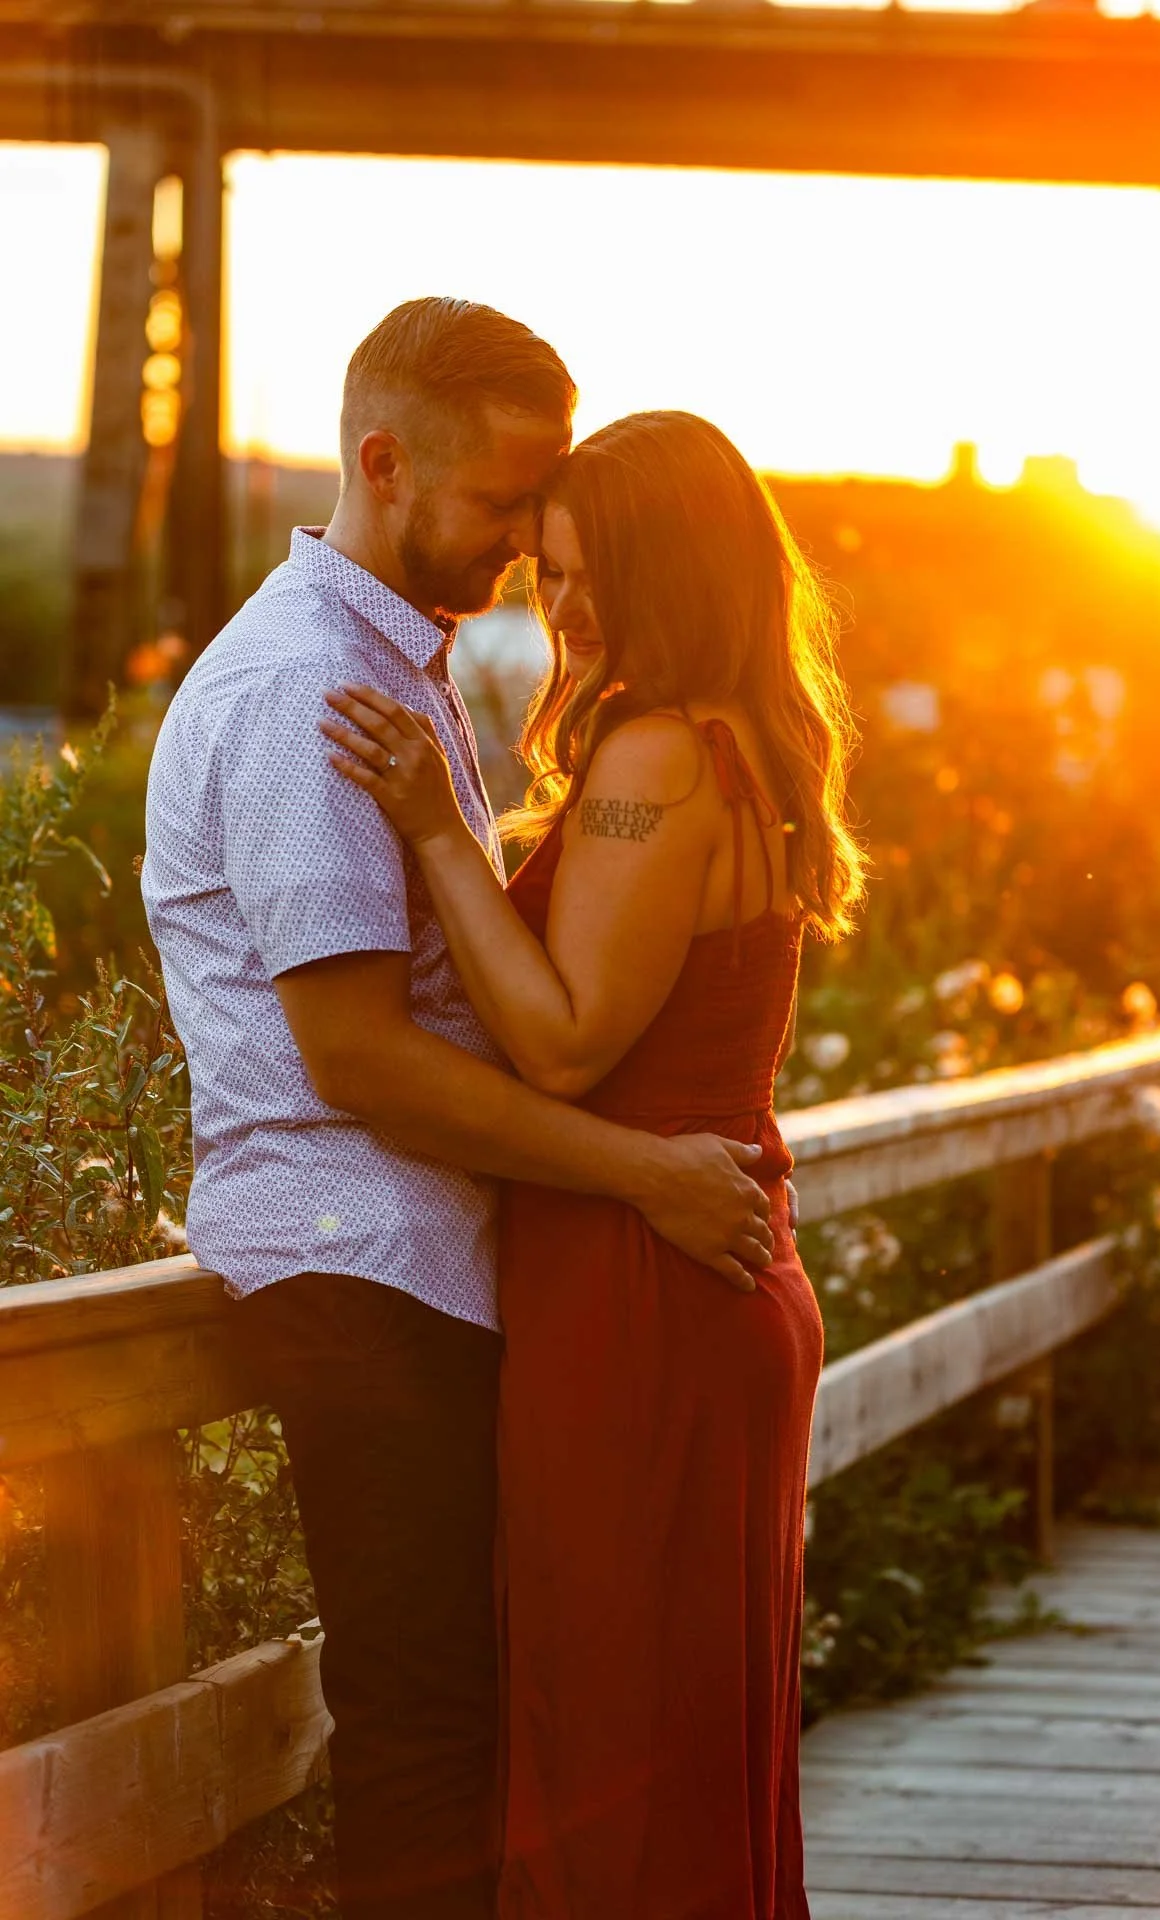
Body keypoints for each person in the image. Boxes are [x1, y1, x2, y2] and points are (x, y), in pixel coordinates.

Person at [141, 304, 776, 1920]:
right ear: (384, 462)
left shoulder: (396, 674)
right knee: (430, 1733)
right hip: (362, 1259)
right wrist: (639, 1173)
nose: (521, 551)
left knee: (494, 1722)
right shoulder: (308, 692)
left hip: (441, 1260)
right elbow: (357, 1060)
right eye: (504, 508)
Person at [321, 408, 864, 1918]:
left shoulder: (655, 756)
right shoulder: (743, 742)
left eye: (580, 574)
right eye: (545, 571)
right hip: (709, 1264)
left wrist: (439, 832)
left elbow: (563, 1047)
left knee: (611, 1746)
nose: (555, 607)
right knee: (680, 1743)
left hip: (640, 1289)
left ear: (670, 570)